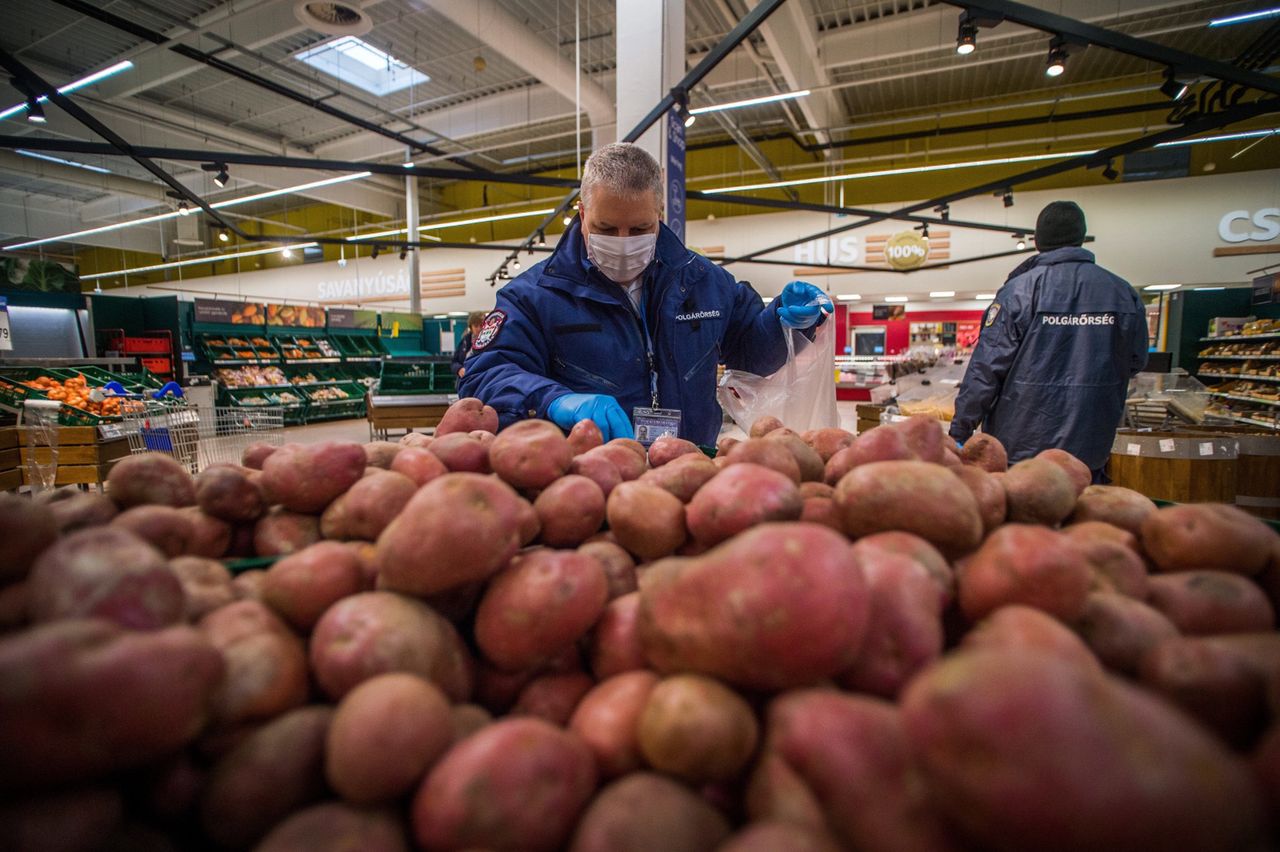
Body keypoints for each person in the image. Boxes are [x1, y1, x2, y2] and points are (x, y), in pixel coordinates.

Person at [459, 142, 831, 446]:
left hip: (690, 466)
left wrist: (787, 323)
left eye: (640, 228)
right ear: (582, 212)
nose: (624, 242)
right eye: (606, 227)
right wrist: (554, 400)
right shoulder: (532, 297)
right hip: (586, 478)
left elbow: (751, 352)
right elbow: (485, 373)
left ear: (659, 212)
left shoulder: (705, 283)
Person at [950, 200, 1148, 482]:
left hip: (1020, 447)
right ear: (1081, 237)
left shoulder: (1018, 292)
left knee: (1025, 518)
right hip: (1090, 446)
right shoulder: (1122, 292)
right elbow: (1136, 360)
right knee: (1085, 519)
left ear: (1037, 241)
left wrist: (959, 433)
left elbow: (985, 371)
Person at [451, 312, 487, 380]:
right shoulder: (465, 341)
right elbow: (454, 362)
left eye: (481, 325)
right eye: (476, 326)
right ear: (471, 327)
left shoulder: (490, 341)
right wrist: (459, 369)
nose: (479, 329)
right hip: (466, 380)